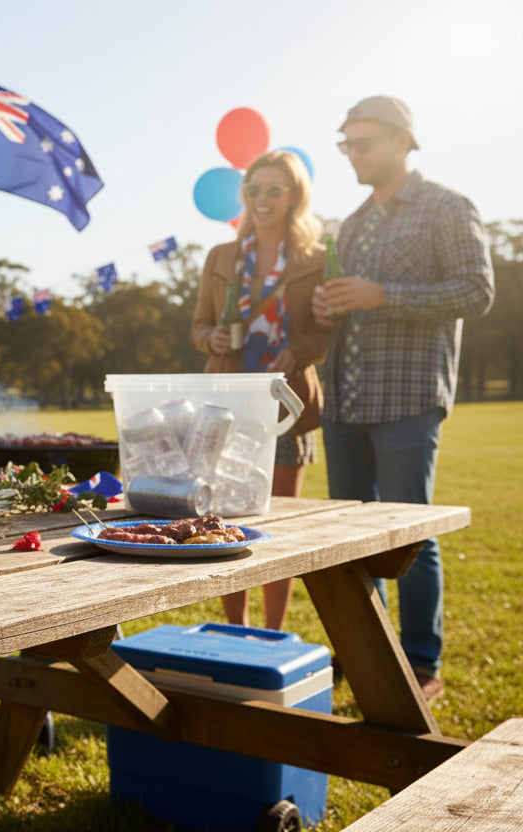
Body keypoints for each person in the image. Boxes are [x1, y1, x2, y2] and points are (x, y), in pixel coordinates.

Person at [313, 96, 495, 701]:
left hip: (408, 397)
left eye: (361, 144)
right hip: (346, 400)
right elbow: (351, 300)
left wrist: (381, 294)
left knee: (408, 531)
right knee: (353, 539)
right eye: (346, 146)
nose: (353, 156)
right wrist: (329, 305)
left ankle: (420, 663)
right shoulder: (353, 222)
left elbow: (475, 290)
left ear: (401, 141)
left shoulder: (448, 206)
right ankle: (370, 650)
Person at [192, 150, 329, 631]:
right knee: (223, 519)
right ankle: (235, 628)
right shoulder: (220, 257)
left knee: (278, 524)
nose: (262, 199)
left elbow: (326, 332)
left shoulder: (316, 258)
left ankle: (271, 633)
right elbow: (199, 325)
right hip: (226, 403)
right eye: (254, 190)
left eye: (274, 190)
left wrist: (301, 351)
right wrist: (207, 337)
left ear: (295, 196)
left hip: (288, 404)